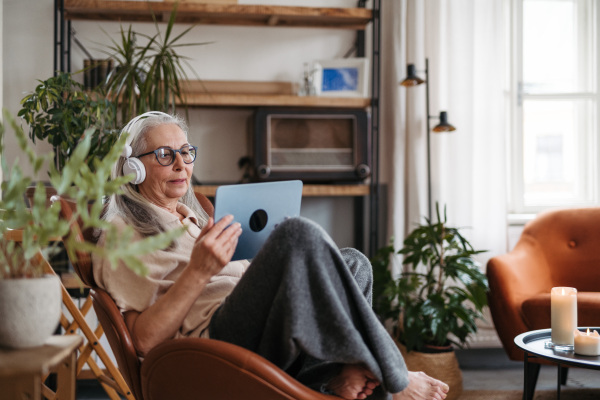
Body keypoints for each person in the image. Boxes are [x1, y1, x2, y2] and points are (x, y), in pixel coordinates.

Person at [93, 111, 449, 400]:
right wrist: (199, 271)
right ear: (132, 169)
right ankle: (394, 377)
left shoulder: (191, 216)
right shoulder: (124, 234)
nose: (180, 164)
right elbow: (143, 340)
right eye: (164, 155)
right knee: (297, 233)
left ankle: (328, 377)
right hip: (215, 344)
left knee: (354, 262)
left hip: (257, 326)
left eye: (186, 152)